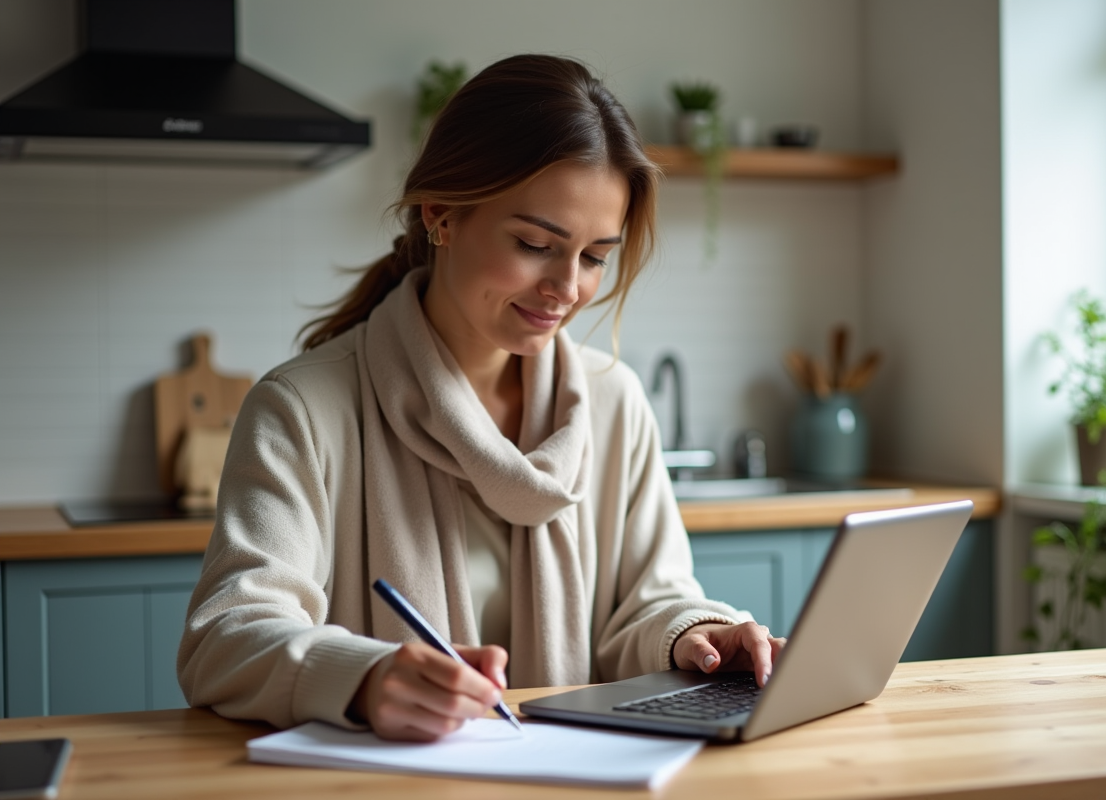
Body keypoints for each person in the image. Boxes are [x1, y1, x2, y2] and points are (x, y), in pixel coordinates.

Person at [177, 54, 783, 742]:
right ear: (441, 213)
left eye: (593, 257)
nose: (567, 288)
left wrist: (700, 634)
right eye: (534, 244)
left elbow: (647, 603)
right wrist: (367, 677)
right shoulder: (302, 408)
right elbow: (225, 640)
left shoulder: (614, 402)